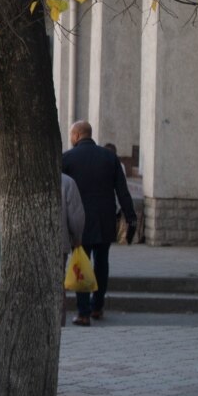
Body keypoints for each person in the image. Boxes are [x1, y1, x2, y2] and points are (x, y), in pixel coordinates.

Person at [61, 120, 137, 326]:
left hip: (80, 220)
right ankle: (98, 306)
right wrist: (130, 217)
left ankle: (83, 311)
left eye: (71, 135)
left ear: (76, 135)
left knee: (80, 264)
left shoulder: (67, 158)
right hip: (105, 219)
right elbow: (122, 191)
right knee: (102, 263)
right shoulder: (109, 158)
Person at [59, 172, 86, 324]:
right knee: (57, 284)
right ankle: (59, 325)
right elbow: (76, 217)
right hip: (59, 243)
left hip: (29, 246)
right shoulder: (67, 182)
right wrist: (77, 239)